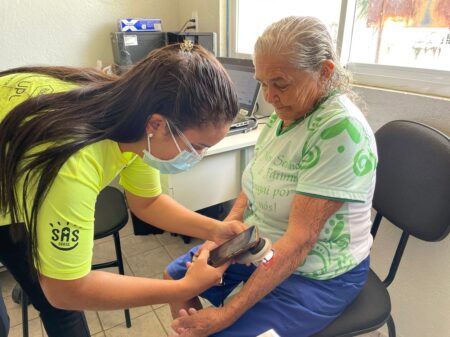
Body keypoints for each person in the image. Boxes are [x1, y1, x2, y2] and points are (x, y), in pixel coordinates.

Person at [0, 43, 246, 337]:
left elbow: (148, 202)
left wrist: (215, 230)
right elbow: (66, 289)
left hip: (15, 171)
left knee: (57, 308)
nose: (198, 157)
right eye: (198, 147)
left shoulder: (137, 123)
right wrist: (183, 288)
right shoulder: (74, 163)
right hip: (30, 166)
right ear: (157, 124)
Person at [165, 16, 378, 337]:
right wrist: (220, 237)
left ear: (325, 72)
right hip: (258, 244)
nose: (270, 96)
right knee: (175, 282)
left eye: (280, 83)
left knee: (225, 329)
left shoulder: (339, 131)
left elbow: (298, 244)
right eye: (262, 83)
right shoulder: (286, 115)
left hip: (316, 271)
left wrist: (227, 314)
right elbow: (250, 190)